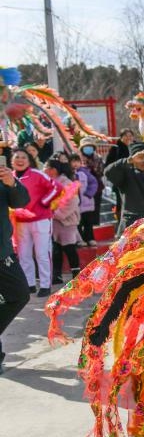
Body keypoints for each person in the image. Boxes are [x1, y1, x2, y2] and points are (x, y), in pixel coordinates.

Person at [10, 149, 58, 296]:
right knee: (24, 255)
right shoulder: (9, 177)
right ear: (12, 161)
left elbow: (56, 187)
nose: (20, 160)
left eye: (23, 157)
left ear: (29, 160)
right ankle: (29, 284)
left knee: (42, 253)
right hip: (20, 221)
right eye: (17, 157)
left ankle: (45, 285)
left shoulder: (37, 174)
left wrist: (44, 203)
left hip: (41, 220)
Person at [0, 155, 31, 372]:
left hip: (2, 252)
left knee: (20, 294)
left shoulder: (3, 178)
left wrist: (12, 183)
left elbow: (21, 201)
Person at [44, 159, 81, 286]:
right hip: (54, 221)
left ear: (53, 170)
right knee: (56, 248)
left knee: (69, 248)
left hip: (66, 221)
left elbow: (73, 202)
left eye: (45, 167)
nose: (43, 169)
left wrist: (56, 214)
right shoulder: (48, 182)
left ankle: (77, 274)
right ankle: (56, 275)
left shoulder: (67, 183)